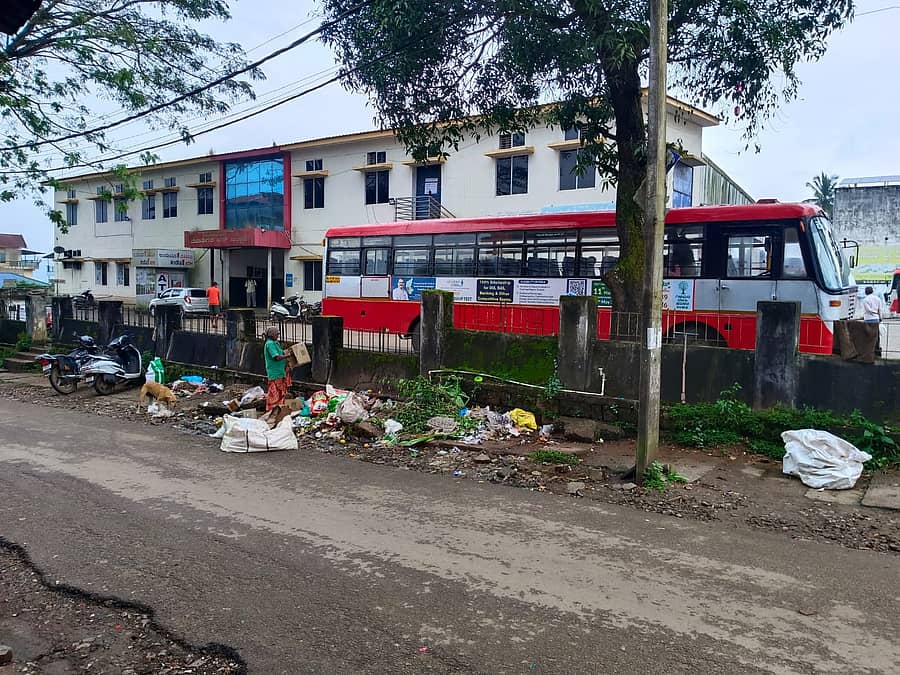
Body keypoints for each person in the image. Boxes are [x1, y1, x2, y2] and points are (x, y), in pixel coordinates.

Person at [263, 326, 290, 411]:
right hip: (275, 372)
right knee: (275, 393)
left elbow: (280, 353)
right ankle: (273, 410)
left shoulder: (275, 343)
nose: (278, 336)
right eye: (276, 334)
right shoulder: (270, 344)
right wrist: (288, 356)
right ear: (272, 335)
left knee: (280, 393)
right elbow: (276, 357)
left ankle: (279, 409)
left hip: (280, 371)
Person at [862, 285, 885, 354]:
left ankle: (869, 350)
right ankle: (877, 350)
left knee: (868, 336)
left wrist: (873, 312)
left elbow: (868, 310)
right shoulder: (878, 299)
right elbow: (880, 309)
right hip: (876, 319)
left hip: (868, 319)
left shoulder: (865, 300)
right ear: (872, 291)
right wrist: (880, 317)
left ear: (866, 292)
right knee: (876, 336)